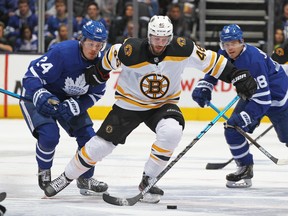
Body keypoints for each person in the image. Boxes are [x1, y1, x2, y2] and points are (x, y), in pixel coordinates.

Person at [43, 16, 256, 203]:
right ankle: (66, 177)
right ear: (149, 36)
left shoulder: (184, 48)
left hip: (163, 105)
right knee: (101, 147)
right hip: (129, 104)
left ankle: (148, 179)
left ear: (171, 38)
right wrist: (96, 74)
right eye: (156, 39)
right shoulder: (129, 49)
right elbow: (106, 61)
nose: (160, 44)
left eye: (164, 40)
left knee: (172, 132)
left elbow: (214, 62)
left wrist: (237, 75)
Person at [19, 20, 112, 196]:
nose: (94, 49)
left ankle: (85, 178)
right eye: (91, 43)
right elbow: (31, 75)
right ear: (82, 40)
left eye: (98, 45)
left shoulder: (101, 64)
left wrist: (78, 104)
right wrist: (39, 93)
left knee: (89, 138)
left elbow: (96, 94)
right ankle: (44, 170)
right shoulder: (63, 52)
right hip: (38, 96)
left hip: (69, 100)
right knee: (49, 135)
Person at [192, 24, 288, 188]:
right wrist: (205, 86)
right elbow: (215, 70)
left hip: (277, 99)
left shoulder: (253, 61)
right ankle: (244, 169)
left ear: (242, 41)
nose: (230, 48)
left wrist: (246, 116)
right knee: (232, 128)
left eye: (233, 43)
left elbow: (264, 99)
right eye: (226, 44)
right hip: (253, 96)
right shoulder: (225, 54)